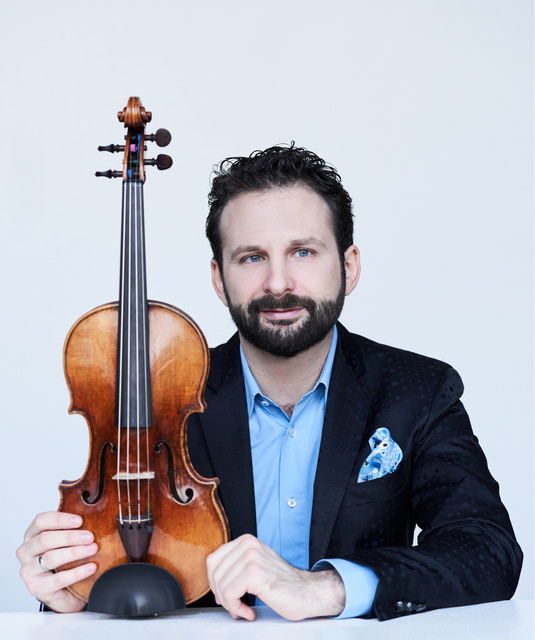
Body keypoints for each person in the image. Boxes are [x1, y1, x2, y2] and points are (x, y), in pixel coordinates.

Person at [17, 144, 522, 621]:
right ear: (219, 279)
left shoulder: (419, 390)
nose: (278, 284)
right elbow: (133, 583)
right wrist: (74, 593)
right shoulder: (160, 400)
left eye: (303, 252)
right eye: (252, 257)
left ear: (349, 267)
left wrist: (326, 588)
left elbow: (489, 550)